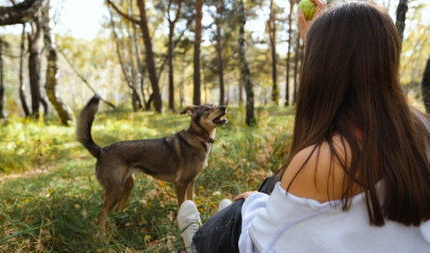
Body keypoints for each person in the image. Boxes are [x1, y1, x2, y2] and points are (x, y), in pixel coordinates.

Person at [177, 0, 430, 252]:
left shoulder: (324, 160)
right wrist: (316, 40)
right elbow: (356, 72)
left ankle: (199, 242)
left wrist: (255, 204)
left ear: (318, 71)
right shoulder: (419, 126)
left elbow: (265, 239)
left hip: (264, 237)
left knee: (247, 207)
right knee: (273, 182)